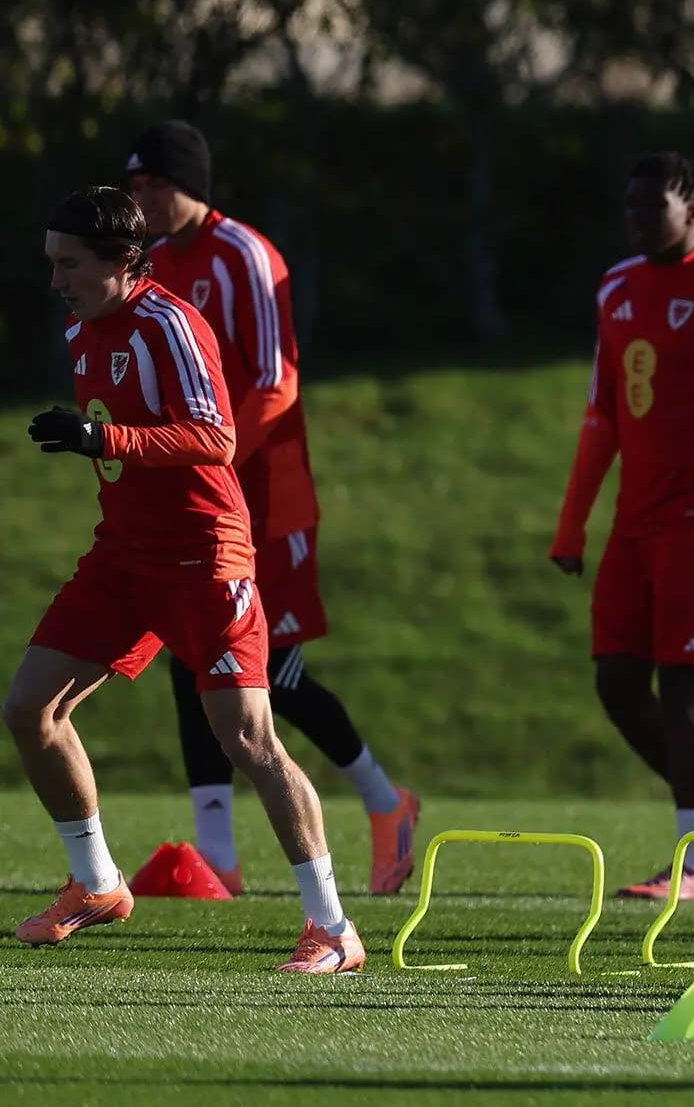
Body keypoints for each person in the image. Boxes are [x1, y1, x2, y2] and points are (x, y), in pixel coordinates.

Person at [13, 187, 362, 970]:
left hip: (207, 557)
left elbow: (215, 436)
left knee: (248, 739)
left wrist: (104, 435)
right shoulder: (81, 328)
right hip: (123, 558)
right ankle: (97, 882)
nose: (56, 279)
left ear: (120, 261)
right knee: (29, 709)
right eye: (52, 262)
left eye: (69, 264)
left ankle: (335, 929)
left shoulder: (169, 323)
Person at [124, 121, 420, 897]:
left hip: (266, 496)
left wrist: (207, 449)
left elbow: (277, 381)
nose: (143, 198)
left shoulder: (245, 257)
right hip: (194, 496)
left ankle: (387, 805)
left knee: (273, 672)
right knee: (190, 658)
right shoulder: (150, 265)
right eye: (135, 187)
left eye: (154, 183)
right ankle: (217, 855)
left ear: (191, 182)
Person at [549, 154, 694, 902]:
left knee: (684, 683)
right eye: (631, 205)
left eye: (654, 206)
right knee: (617, 681)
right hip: (636, 519)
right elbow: (603, 414)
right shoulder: (617, 289)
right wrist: (573, 522)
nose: (638, 219)